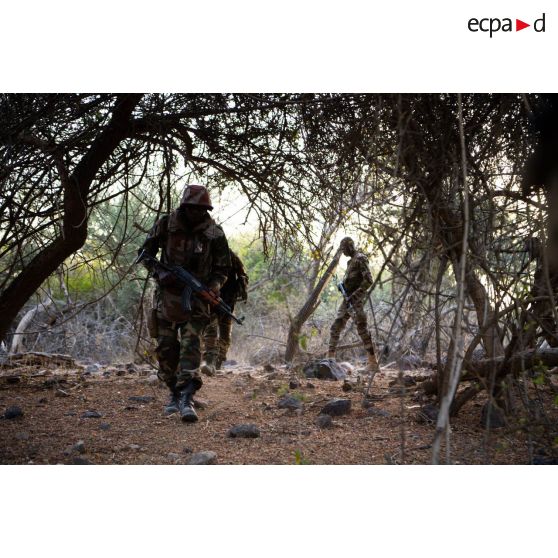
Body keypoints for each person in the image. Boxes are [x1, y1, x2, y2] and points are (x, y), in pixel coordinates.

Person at [139, 185, 231, 423]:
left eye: (202, 210)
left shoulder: (214, 233)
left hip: (196, 302)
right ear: (184, 207)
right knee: (166, 348)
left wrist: (212, 287)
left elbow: (223, 269)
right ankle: (174, 394)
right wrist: (160, 273)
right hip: (167, 298)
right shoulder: (165, 225)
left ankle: (187, 398)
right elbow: (144, 254)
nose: (196, 214)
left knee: (191, 346)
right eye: (192, 208)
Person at [327, 237, 379, 372]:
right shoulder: (350, 262)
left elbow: (368, 280)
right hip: (347, 299)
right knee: (336, 326)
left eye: (344, 249)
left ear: (350, 246)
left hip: (355, 300)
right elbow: (352, 280)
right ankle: (330, 359)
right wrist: (343, 286)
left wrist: (355, 296)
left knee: (362, 328)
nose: (343, 252)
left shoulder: (360, 258)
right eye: (342, 249)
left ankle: (373, 363)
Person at [200, 250, 248, 375]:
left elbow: (243, 276)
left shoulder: (232, 257)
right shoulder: (207, 256)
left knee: (225, 335)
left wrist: (241, 287)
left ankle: (219, 362)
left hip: (228, 302)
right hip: (211, 301)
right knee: (210, 330)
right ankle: (209, 362)